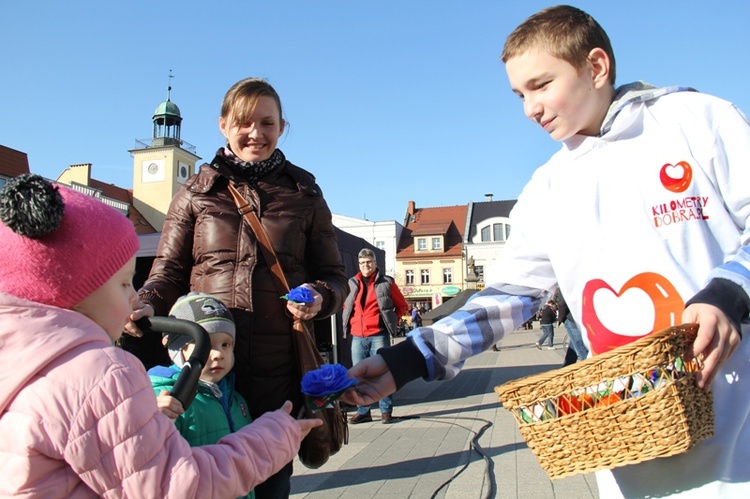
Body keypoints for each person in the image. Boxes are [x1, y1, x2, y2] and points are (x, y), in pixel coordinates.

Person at [343, 5, 749, 498]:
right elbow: (506, 299)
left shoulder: (696, 121)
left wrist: (728, 290)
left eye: (540, 85)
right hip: (634, 436)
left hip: (736, 418)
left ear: (596, 67)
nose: (528, 109)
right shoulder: (549, 186)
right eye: (519, 94)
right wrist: (404, 362)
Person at [0, 174, 321, 497]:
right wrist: (273, 436)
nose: (134, 298)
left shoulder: (19, 361)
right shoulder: (101, 377)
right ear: (76, 288)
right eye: (125, 283)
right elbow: (178, 486)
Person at [125, 77, 349, 498]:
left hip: (274, 375)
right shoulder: (195, 192)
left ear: (282, 127)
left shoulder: (305, 193)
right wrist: (144, 303)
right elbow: (167, 271)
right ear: (224, 125)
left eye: (267, 123)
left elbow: (335, 276)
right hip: (203, 371)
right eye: (245, 122)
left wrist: (320, 296)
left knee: (269, 486)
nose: (256, 134)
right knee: (201, 483)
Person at [149, 292, 256, 499]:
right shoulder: (167, 398)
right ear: (177, 350)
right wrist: (154, 420)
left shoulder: (236, 400)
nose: (218, 354)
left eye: (226, 344)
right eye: (205, 346)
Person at [342, 248, 408, 424]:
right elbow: (346, 307)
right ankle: (363, 411)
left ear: (375, 263)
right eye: (362, 263)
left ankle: (386, 411)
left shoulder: (386, 282)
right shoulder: (351, 283)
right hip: (358, 336)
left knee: (382, 374)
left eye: (369, 262)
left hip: (379, 335)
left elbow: (401, 305)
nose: (366, 266)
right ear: (359, 264)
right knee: (358, 376)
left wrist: (391, 322)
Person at [556, 291, 588, 366]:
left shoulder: (565, 282)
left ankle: (587, 366)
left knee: (578, 345)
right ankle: (568, 367)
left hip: (571, 318)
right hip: (578, 317)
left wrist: (561, 318)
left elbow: (561, 302)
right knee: (577, 344)